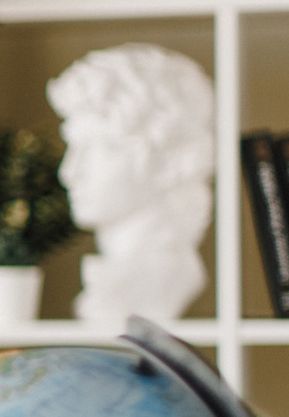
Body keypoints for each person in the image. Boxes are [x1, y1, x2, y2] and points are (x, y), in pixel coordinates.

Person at [48, 44, 214, 326]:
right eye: (73, 148)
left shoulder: (159, 279)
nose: (68, 172)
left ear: (161, 158)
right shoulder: (111, 279)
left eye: (94, 148)